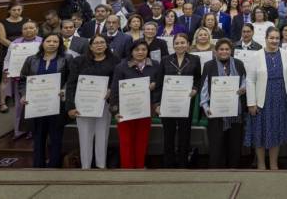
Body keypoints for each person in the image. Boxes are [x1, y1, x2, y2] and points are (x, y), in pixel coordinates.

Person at [66, 33, 119, 169]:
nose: (99, 45)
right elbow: (71, 84)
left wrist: (110, 90)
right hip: (82, 105)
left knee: (102, 137)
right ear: (90, 46)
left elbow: (117, 81)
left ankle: (101, 167)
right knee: (85, 138)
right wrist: (70, 106)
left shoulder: (115, 61)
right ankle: (86, 168)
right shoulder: (79, 61)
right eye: (96, 43)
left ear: (107, 45)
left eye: (102, 42)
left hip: (103, 105)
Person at [244, 26, 287, 170]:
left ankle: (273, 163)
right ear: (265, 39)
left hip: (280, 99)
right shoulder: (256, 56)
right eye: (271, 38)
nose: (274, 41)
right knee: (260, 131)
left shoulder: (285, 54)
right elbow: (250, 80)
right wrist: (251, 103)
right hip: (261, 99)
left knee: (276, 131)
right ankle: (260, 163)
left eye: (277, 38)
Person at [18, 31, 70, 168]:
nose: (52, 44)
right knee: (38, 138)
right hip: (36, 106)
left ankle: (54, 166)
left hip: (57, 105)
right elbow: (23, 80)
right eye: (48, 41)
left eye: (55, 42)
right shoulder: (31, 59)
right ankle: (38, 166)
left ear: (60, 44)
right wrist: (24, 94)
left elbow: (71, 79)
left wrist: (64, 90)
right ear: (43, 43)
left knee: (56, 138)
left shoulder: (66, 58)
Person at [110, 40, 160, 169]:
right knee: (126, 141)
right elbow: (115, 90)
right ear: (131, 52)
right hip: (125, 110)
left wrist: (155, 84)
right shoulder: (121, 67)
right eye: (137, 50)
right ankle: (127, 169)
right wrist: (115, 111)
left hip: (145, 109)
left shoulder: (155, 65)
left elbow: (161, 86)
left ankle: (140, 167)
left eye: (143, 49)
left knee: (142, 141)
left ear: (147, 51)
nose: (140, 52)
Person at [155, 33, 201, 168]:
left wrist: (195, 89)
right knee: (168, 134)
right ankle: (168, 163)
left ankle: (183, 163)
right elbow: (158, 83)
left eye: (183, 43)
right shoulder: (165, 60)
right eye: (177, 43)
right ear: (173, 45)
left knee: (184, 133)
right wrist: (157, 104)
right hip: (167, 102)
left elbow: (198, 78)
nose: (180, 45)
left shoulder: (195, 59)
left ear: (187, 44)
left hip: (186, 102)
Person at [201, 38, 247, 168]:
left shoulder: (238, 63)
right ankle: (215, 173)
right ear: (216, 51)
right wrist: (206, 107)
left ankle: (233, 170)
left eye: (227, 49)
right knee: (216, 146)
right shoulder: (209, 65)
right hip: (215, 112)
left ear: (231, 51)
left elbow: (244, 80)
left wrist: (243, 88)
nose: (224, 51)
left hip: (235, 112)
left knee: (234, 145)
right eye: (221, 49)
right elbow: (204, 88)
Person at [3, 20, 44, 138]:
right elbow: (7, 59)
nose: (28, 30)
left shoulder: (42, 42)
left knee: (34, 105)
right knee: (19, 105)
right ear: (22, 31)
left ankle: (33, 130)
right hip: (19, 79)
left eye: (31, 28)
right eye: (25, 28)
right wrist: (7, 69)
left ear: (36, 30)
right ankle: (19, 130)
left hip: (37, 79)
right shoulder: (15, 43)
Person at [0, 1, 28, 113]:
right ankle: (2, 103)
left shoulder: (26, 21)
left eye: (19, 10)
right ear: (9, 10)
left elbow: (30, 33)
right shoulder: (2, 22)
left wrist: (22, 47)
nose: (17, 12)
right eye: (14, 10)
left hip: (26, 52)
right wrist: (15, 46)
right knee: (6, 78)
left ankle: (22, 98)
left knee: (25, 76)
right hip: (10, 52)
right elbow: (1, 39)